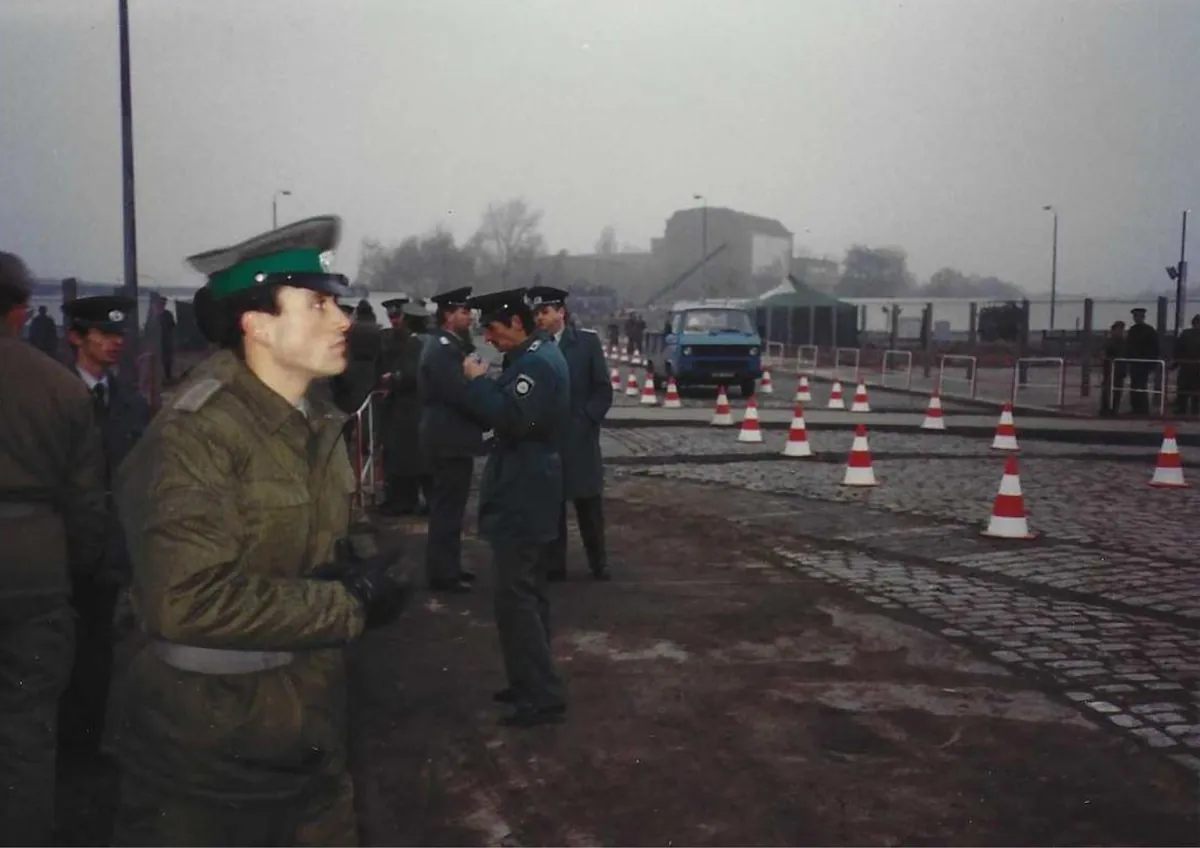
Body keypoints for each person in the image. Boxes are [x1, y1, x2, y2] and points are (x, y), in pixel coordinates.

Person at [108, 216, 413, 846]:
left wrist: (366, 563)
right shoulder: (197, 436)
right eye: (318, 304)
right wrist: (346, 601)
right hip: (207, 756)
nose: (341, 321)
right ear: (257, 325)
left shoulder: (313, 419)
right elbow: (183, 601)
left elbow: (328, 534)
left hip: (308, 735)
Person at [0, 252, 108, 845]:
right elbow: (87, 504)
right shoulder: (60, 388)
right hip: (36, 572)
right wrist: (83, 570)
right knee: (26, 726)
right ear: (21, 309)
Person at [461, 287, 570, 728]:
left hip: (524, 489)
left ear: (517, 324)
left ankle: (540, 694)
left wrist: (476, 384)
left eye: (493, 328)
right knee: (528, 592)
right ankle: (529, 680)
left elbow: (511, 418)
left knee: (516, 596)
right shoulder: (537, 355)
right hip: (530, 483)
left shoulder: (536, 364)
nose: (489, 337)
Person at [57, 295, 151, 763]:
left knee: (97, 653)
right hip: (58, 547)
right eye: (103, 334)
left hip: (108, 550)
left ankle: (85, 747)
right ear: (75, 337)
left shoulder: (129, 402)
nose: (115, 343)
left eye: (119, 335)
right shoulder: (53, 397)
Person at [527, 285, 613, 581]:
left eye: (545, 312)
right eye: (536, 313)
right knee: (552, 506)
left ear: (560, 312)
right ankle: (554, 564)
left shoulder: (586, 343)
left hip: (580, 439)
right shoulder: (533, 347)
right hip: (548, 438)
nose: (539, 318)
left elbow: (602, 390)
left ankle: (598, 562)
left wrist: (587, 420)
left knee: (589, 504)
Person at [418, 286, 485, 593]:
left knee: (452, 507)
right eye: (463, 311)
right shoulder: (443, 348)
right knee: (447, 508)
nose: (468, 316)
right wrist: (476, 380)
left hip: (449, 435)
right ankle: (443, 573)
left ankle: (450, 566)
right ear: (448, 315)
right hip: (448, 437)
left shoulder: (448, 344)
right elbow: (457, 393)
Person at [378, 297, 432, 516]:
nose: (394, 321)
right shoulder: (397, 338)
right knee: (406, 457)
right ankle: (406, 500)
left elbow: (409, 374)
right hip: (404, 408)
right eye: (391, 317)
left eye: (398, 316)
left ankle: (406, 502)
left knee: (411, 459)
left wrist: (393, 379)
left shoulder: (415, 342)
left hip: (409, 408)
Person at [1125, 307, 1160, 414]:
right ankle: (1135, 408)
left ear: (1143, 317)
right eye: (1135, 316)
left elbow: (1155, 348)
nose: (1136, 318)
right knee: (1134, 385)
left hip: (1144, 363)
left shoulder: (1149, 330)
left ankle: (1143, 409)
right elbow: (1128, 346)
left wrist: (1152, 363)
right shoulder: (1132, 330)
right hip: (1134, 362)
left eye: (1139, 316)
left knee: (1141, 385)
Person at [1171, 314, 1200, 416]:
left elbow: (1178, 349)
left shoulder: (1185, 334)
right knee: (1195, 391)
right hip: (1196, 367)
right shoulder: (1186, 334)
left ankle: (1181, 409)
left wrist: (1176, 362)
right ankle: (1194, 411)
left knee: (1183, 389)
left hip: (1186, 366)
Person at [1099, 320, 1126, 416]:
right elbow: (1103, 353)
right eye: (1119, 329)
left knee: (1117, 390)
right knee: (1108, 389)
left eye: (1122, 329)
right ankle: (1105, 409)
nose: (1121, 331)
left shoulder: (1124, 342)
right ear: (1113, 330)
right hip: (1110, 369)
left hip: (1120, 370)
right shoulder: (1109, 341)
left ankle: (1114, 409)